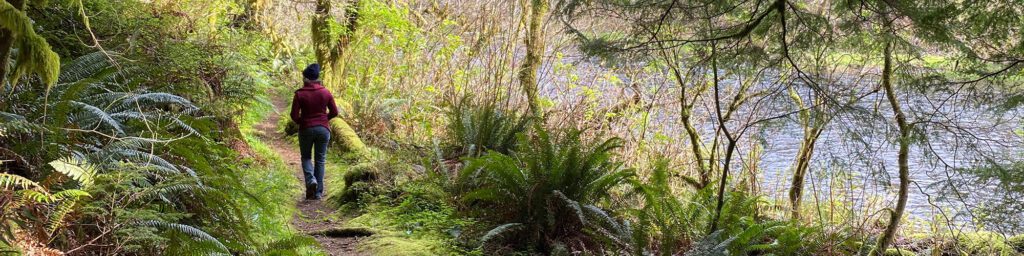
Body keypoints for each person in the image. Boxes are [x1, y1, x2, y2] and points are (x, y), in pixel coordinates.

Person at [290, 63, 339, 200]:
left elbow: (294, 115)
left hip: (306, 129)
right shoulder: (326, 92)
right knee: (320, 160)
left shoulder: (300, 94)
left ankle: (311, 181)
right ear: (318, 77)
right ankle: (318, 193)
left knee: (306, 157)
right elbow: (335, 112)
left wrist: (304, 122)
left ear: (305, 78)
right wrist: (324, 119)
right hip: (323, 129)